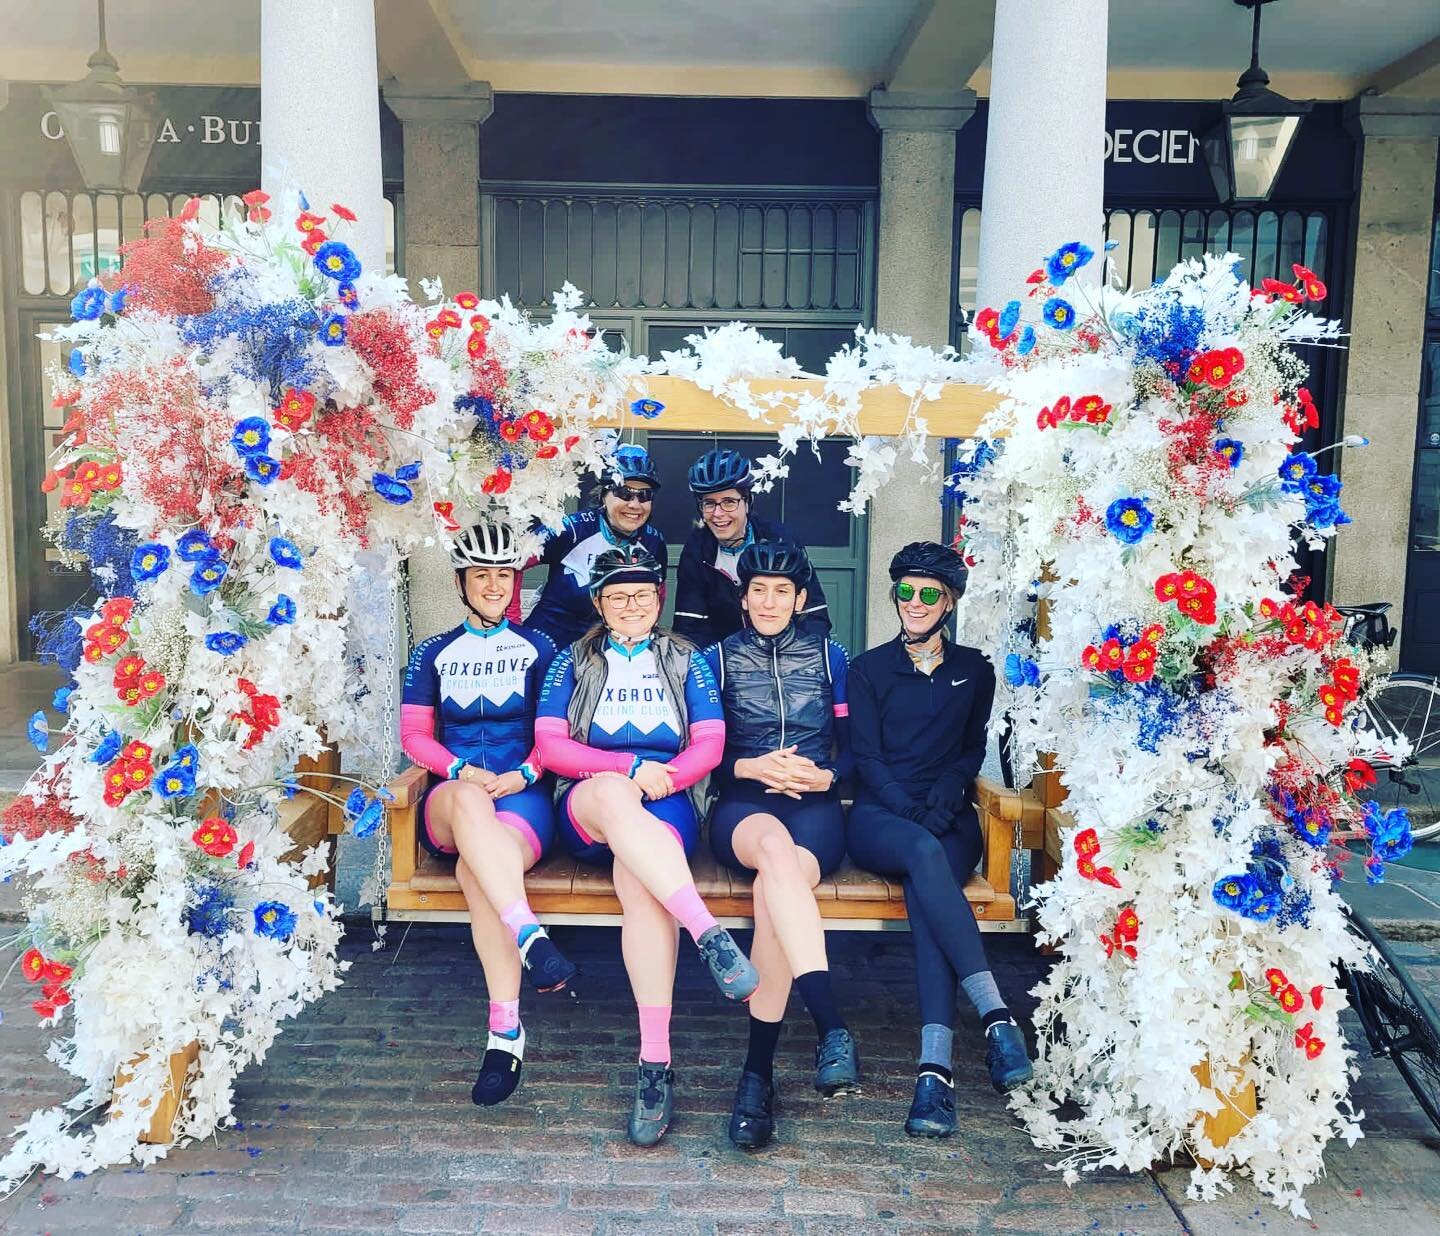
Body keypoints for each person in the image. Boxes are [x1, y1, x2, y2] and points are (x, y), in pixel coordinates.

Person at [533, 542, 759, 1147]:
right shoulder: (571, 661)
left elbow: (709, 746)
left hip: (667, 803)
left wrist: (667, 778)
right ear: (600, 605)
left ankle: (653, 1064)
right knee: (612, 792)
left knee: (643, 888)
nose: (631, 604)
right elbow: (553, 748)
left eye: (642, 594)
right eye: (617, 596)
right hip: (590, 804)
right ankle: (709, 933)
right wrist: (630, 767)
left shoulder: (687, 659)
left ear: (658, 600)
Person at [845, 541, 1033, 1138]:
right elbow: (866, 758)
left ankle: (935, 1074)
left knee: (930, 901)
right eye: (907, 591)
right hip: (881, 818)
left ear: (949, 602)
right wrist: (908, 809)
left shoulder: (974, 670)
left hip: (945, 816)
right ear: (896, 596)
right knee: (926, 859)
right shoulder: (868, 668)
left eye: (931, 593)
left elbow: (969, 750)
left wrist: (943, 802)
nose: (917, 603)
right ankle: (998, 1017)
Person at [399, 521, 574, 1109]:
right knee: (471, 805)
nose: (495, 584)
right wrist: (459, 771)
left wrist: (525, 773)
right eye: (483, 575)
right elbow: (415, 736)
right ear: (461, 582)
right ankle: (528, 933)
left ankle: (505, 1033)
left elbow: (556, 734)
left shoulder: (540, 648)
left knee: (481, 876)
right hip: (455, 796)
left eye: (505, 574)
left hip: (520, 795)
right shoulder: (434, 652)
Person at [700, 540, 858, 1150]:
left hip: (815, 809)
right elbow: (707, 763)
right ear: (743, 598)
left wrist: (826, 777)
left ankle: (756, 1074)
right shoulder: (715, 660)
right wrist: (753, 768)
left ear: (800, 600)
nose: (769, 601)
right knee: (770, 852)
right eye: (758, 590)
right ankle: (827, 1018)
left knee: (777, 885)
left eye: (781, 591)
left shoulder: (829, 656)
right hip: (743, 807)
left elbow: (854, 752)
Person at [673, 447, 829, 648]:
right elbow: (690, 628)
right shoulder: (697, 550)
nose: (718, 513)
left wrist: (808, 663)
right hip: (728, 658)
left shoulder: (780, 539)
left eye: (729, 502)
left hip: (786, 654)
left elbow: (813, 615)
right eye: (709, 503)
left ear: (747, 502)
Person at [519, 443, 667, 648]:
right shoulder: (572, 529)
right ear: (604, 496)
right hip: (550, 643)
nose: (634, 504)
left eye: (644, 495)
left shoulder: (654, 542)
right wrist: (510, 621)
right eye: (624, 493)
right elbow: (512, 561)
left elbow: (658, 593)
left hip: (606, 651)